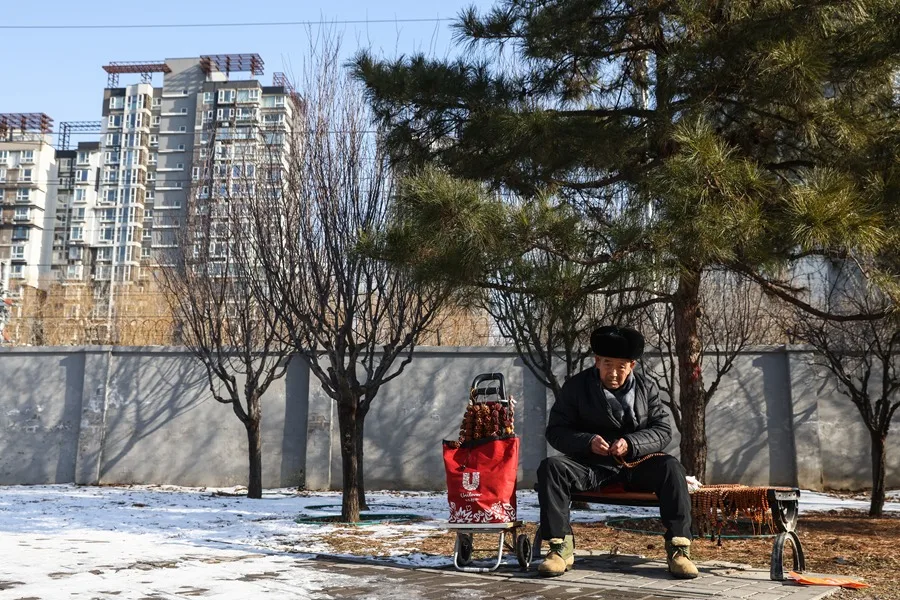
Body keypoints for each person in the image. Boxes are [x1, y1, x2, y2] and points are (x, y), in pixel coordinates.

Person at [536, 325, 698, 579]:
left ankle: (679, 550)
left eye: (621, 366)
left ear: (632, 365)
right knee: (551, 467)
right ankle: (559, 549)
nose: (613, 373)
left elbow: (662, 430)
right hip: (591, 465)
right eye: (608, 364)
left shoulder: (646, 388)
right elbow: (556, 430)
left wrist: (631, 443)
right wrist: (587, 441)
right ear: (597, 361)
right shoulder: (576, 387)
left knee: (671, 468)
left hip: (635, 464)